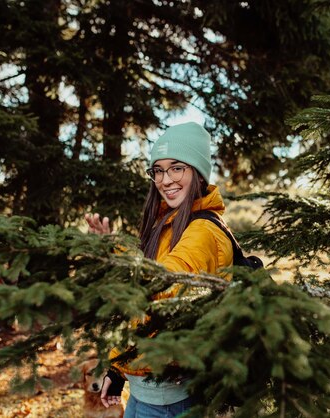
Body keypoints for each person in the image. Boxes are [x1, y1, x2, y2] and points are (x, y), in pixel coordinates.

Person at [85, 122, 234, 417]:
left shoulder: (203, 229)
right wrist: (118, 369)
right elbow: (144, 316)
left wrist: (117, 259)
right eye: (159, 170)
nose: (166, 180)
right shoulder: (165, 225)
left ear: (198, 172)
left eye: (177, 168)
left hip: (174, 401)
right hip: (148, 396)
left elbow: (164, 285)